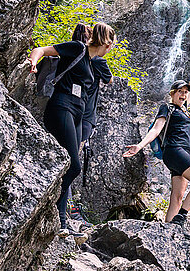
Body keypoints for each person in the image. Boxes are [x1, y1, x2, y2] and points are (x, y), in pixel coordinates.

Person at [28, 22, 116, 238]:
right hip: (61, 106)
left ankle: (62, 222)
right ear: (105, 41)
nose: (112, 47)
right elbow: (42, 50)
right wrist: (33, 61)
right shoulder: (78, 48)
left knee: (70, 166)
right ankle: (47, 200)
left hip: (77, 113)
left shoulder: (91, 61)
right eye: (112, 43)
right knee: (73, 166)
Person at [123, 52, 190, 227]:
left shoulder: (184, 108)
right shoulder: (167, 108)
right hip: (175, 150)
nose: (183, 95)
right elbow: (156, 129)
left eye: (185, 93)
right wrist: (139, 146)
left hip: (182, 153)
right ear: (172, 94)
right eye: (180, 92)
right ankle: (182, 216)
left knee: (177, 197)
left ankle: (167, 229)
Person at [67, 23, 114, 231]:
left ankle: (66, 202)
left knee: (69, 155)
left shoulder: (77, 56)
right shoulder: (98, 61)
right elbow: (109, 80)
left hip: (69, 109)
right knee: (72, 157)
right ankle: (68, 205)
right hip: (85, 116)